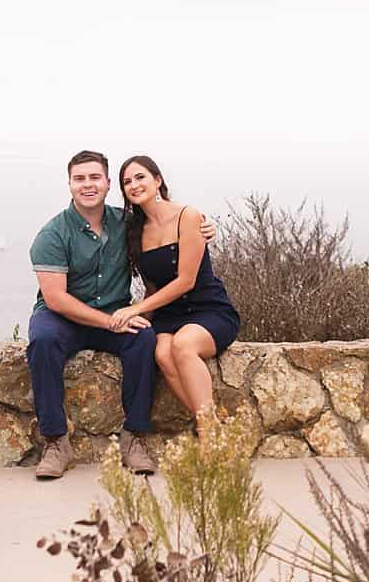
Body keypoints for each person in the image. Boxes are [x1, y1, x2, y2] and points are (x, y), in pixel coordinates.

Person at [27, 150, 216, 480]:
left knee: (144, 339)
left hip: (115, 314)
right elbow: (56, 299)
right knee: (42, 341)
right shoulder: (52, 235)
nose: (88, 185)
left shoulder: (128, 225)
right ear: (70, 184)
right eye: (80, 179)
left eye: (95, 177)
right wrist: (109, 320)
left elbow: (168, 227)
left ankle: (136, 438)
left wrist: (206, 226)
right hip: (64, 318)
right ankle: (56, 442)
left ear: (107, 183)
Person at [109, 155, 241, 436]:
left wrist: (133, 309)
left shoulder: (188, 216)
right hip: (169, 315)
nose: (134, 185)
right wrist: (141, 320)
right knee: (162, 353)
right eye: (126, 182)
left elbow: (185, 281)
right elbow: (153, 288)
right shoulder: (135, 232)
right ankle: (213, 427)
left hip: (208, 310)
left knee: (183, 345)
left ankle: (207, 435)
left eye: (140, 177)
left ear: (157, 181)